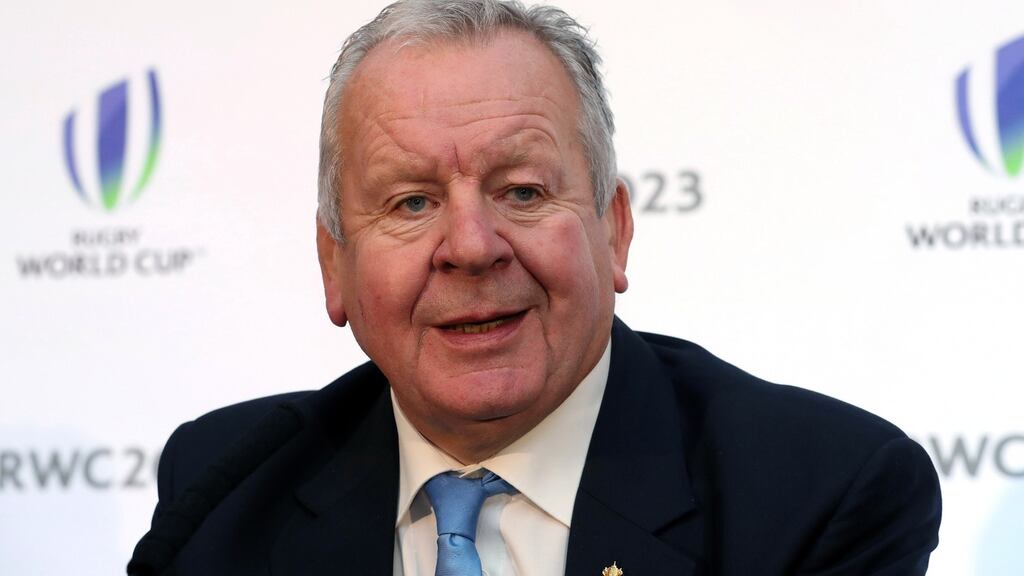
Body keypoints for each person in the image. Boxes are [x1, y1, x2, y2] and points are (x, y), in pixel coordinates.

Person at [128, 1, 942, 575]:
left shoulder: (819, 492)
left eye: (521, 192)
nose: (472, 247)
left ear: (613, 229)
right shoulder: (226, 491)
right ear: (333, 262)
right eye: (411, 203)